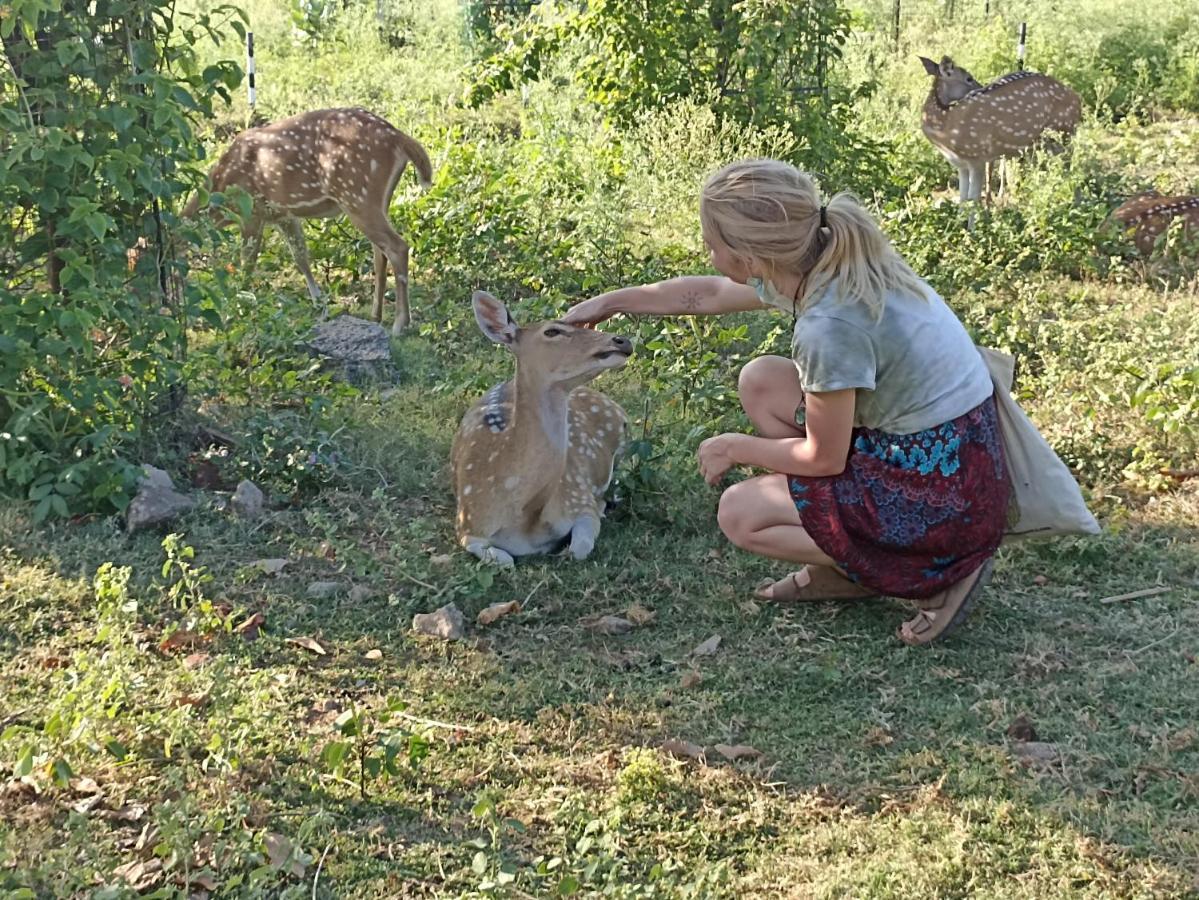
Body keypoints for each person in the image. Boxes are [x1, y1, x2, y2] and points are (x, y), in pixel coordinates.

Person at [561, 159, 1011, 645]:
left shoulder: (829, 325)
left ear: (751, 257)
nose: (708, 254)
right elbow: (707, 293)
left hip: (941, 500)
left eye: (711, 244)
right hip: (958, 457)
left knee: (740, 514)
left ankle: (928, 572)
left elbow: (822, 456)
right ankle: (845, 558)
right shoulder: (830, 259)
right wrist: (610, 301)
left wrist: (734, 447)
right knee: (762, 382)